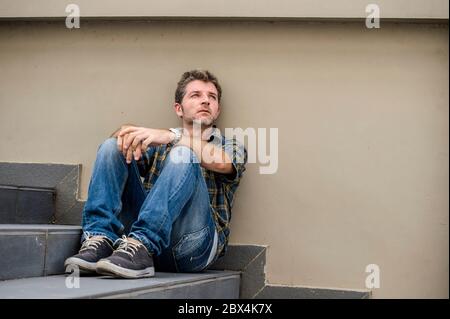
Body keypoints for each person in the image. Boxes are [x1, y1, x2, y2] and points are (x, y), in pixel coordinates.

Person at [64, 70, 247, 278]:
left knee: (184, 154)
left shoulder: (230, 145)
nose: (205, 101)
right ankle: (99, 238)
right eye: (196, 95)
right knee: (111, 147)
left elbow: (223, 162)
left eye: (211, 97)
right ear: (178, 108)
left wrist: (170, 136)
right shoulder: (157, 142)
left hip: (192, 249)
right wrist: (132, 132)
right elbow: (119, 141)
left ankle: (144, 243)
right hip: (131, 248)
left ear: (217, 110)